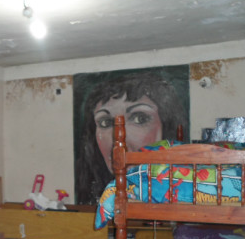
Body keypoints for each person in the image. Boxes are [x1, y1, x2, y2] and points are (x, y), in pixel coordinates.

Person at [75, 71, 189, 205]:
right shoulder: (105, 198)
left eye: (140, 118)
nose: (118, 138)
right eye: (105, 122)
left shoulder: (185, 192)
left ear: (165, 126)